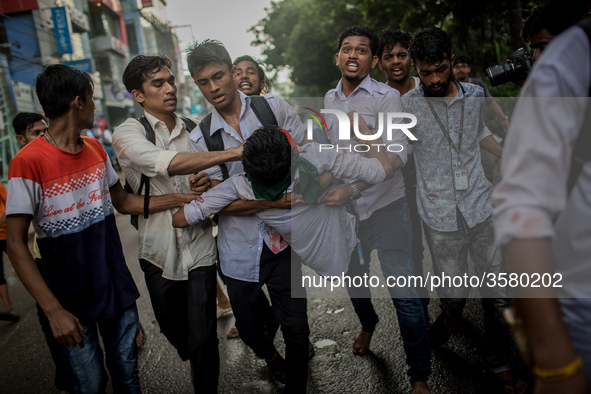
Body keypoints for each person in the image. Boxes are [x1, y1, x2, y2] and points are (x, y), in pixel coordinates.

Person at [6, 64, 198, 393]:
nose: (95, 106)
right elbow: (15, 244)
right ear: (78, 102)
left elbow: (124, 202)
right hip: (68, 301)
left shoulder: (95, 149)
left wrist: (183, 198)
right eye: (93, 99)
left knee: (128, 379)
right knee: (90, 385)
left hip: (115, 293)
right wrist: (53, 312)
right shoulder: (27, 161)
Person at [404, 27, 526, 393]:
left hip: (480, 206)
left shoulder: (473, 94)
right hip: (440, 218)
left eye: (440, 69)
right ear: (417, 68)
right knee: (455, 295)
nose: (435, 79)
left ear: (451, 61)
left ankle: (500, 364)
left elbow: (480, 137)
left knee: (498, 293)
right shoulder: (408, 106)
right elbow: (396, 153)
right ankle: (447, 318)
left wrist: (514, 159)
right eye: (425, 72)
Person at [113, 54, 241, 393]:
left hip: (199, 247)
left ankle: (203, 376)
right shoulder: (127, 132)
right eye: (158, 83)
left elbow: (210, 176)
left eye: (170, 81)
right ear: (137, 94)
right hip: (157, 250)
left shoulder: (194, 130)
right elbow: (163, 163)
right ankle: (193, 357)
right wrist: (234, 152)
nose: (170, 88)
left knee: (204, 337)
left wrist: (205, 181)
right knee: (173, 329)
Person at [185, 39, 308, 392]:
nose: (213, 88)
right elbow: (213, 203)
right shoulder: (201, 138)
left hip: (283, 243)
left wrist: (303, 194)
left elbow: (308, 153)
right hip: (238, 252)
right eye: (203, 83)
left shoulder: (273, 109)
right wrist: (276, 201)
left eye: (218, 77)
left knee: (298, 327)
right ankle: (271, 359)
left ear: (231, 72)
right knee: (251, 331)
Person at [322, 25, 431, 394]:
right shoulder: (330, 99)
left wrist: (366, 137)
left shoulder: (387, 98)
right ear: (337, 57)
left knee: (405, 294)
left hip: (388, 206)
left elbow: (398, 156)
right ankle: (368, 324)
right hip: (346, 214)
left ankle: (419, 376)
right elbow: (334, 158)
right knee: (355, 284)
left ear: (373, 59)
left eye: (362, 50)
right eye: (347, 49)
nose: (353, 55)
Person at [493, 22, 591, 393]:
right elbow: (523, 203)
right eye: (535, 49)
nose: (536, 58)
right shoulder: (571, 60)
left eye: (543, 47)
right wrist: (556, 365)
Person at [376, 30, 431, 321]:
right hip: (400, 192)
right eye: (389, 57)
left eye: (401, 54)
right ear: (380, 63)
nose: (396, 61)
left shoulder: (430, 87)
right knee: (413, 255)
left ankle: (453, 308)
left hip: (437, 186)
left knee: (447, 251)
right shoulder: (378, 98)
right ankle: (421, 315)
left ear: (411, 58)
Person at [452, 55, 510, 133]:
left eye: (463, 66)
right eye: (457, 67)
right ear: (453, 70)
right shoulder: (450, 87)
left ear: (469, 69)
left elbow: (489, 100)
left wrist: (503, 118)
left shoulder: (477, 84)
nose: (460, 70)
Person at [0, 182, 18, 322]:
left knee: (22, 265)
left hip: (6, 234)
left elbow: (10, 203)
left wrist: (2, 220)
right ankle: (8, 309)